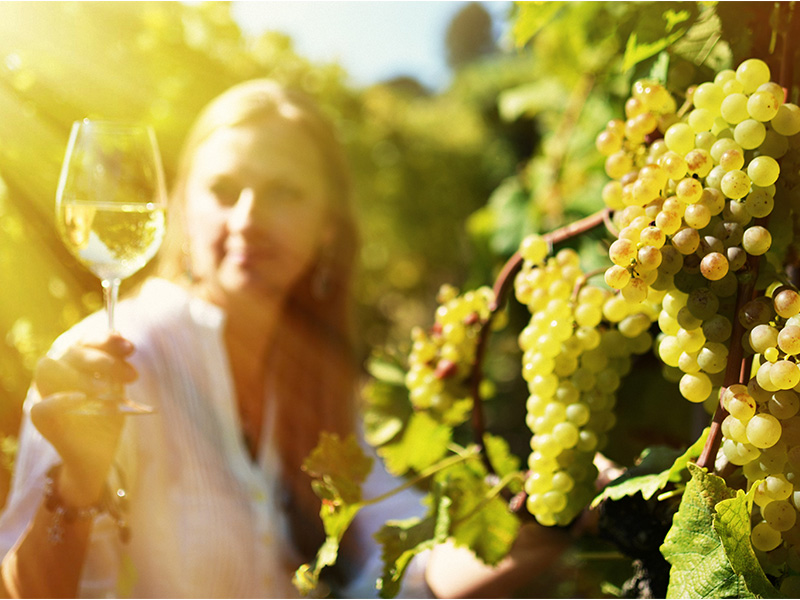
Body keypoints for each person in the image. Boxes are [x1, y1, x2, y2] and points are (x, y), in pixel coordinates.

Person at [0, 79, 432, 598]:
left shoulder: (316, 380)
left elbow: (406, 549)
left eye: (284, 192)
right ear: (182, 205)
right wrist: (75, 486)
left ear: (329, 227)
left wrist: (532, 528)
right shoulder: (104, 366)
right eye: (224, 190)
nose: (248, 219)